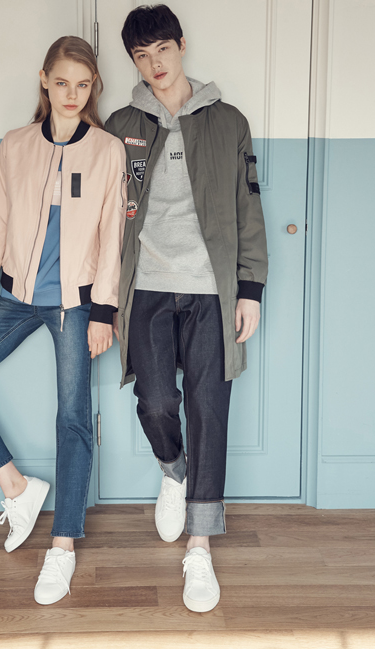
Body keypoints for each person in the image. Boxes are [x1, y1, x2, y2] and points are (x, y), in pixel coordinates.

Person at [0, 35, 126, 606]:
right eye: (61, 82)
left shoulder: (107, 150)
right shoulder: (15, 145)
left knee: (72, 420)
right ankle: (16, 487)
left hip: (76, 305)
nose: (71, 94)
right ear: (44, 79)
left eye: (82, 85)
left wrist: (104, 311)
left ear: (93, 88)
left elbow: (112, 237)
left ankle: (62, 545)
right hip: (15, 297)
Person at [105, 5, 268, 613]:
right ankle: (171, 468)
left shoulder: (228, 122)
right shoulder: (122, 124)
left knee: (209, 408)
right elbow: (106, 216)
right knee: (155, 400)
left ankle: (199, 546)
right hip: (145, 286)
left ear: (180, 46)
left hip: (210, 289)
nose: (154, 65)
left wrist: (250, 289)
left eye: (162, 51)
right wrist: (105, 298)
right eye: (141, 56)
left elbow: (248, 210)